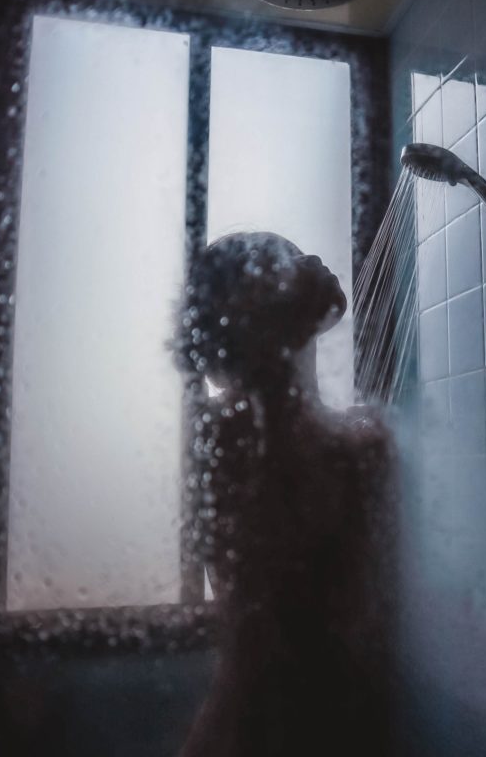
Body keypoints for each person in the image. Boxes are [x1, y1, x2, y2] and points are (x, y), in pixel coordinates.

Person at [176, 232, 396, 757]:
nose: (302, 268)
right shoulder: (229, 426)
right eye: (279, 270)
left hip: (300, 714)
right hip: (264, 718)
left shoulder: (339, 436)